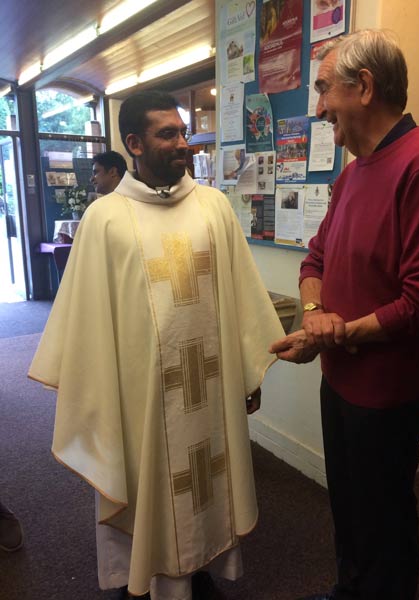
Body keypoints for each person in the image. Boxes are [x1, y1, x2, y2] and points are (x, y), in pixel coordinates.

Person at [29, 90, 284, 600]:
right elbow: (86, 324)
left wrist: (245, 371)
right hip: (140, 396)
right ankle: (146, 575)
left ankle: (199, 567)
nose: (183, 143)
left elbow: (239, 296)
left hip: (208, 388)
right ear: (134, 144)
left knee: (206, 483)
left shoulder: (213, 207)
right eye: (167, 134)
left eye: (183, 132)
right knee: (148, 487)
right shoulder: (105, 219)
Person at [270, 29, 419, 600]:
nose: (319, 108)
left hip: (388, 394)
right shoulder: (352, 172)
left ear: (365, 87)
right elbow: (315, 259)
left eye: (324, 89)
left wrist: (335, 332)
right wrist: (316, 314)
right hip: (340, 379)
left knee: (384, 522)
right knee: (349, 509)